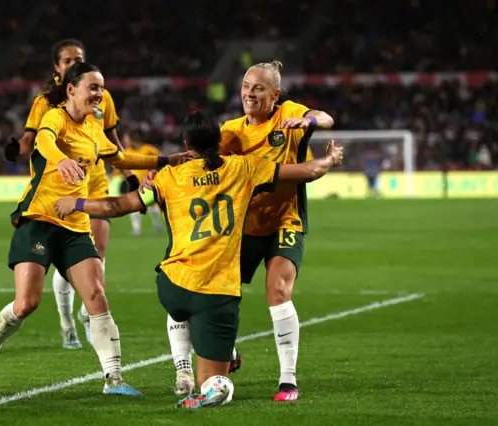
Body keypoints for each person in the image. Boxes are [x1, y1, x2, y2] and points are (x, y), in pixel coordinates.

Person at [53, 110, 343, 408]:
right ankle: (214, 377)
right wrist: (331, 159)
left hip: (172, 287)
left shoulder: (167, 177)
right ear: (220, 141)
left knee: (180, 305)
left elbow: (117, 206)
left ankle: (185, 368)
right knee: (216, 382)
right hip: (217, 295)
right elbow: (308, 171)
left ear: (185, 143)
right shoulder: (243, 168)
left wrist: (75, 203)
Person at [0, 62, 190, 394]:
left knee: (97, 296)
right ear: (71, 89)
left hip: (75, 225)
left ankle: (114, 379)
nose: (99, 94)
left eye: (101, 88)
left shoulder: (94, 128)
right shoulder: (55, 117)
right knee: (26, 303)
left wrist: (165, 160)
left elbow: (122, 158)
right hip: (39, 220)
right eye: (93, 87)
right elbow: (43, 141)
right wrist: (62, 160)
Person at [144, 61, 335, 401]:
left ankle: (287, 381)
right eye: (246, 86)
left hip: (284, 221)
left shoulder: (288, 114)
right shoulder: (231, 131)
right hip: (242, 228)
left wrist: (307, 121)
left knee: (278, 290)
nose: (249, 92)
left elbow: (326, 118)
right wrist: (162, 168)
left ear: (274, 95)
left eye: (258, 88)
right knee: (208, 288)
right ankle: (214, 357)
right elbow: (199, 156)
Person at [4, 39, 140, 350]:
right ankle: (68, 325)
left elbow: (113, 142)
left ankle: (88, 310)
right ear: (57, 67)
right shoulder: (46, 103)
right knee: (65, 256)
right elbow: (33, 139)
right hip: (59, 183)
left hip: (94, 180)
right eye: (66, 60)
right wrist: (16, 150)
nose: (70, 64)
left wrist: (130, 176)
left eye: (76, 59)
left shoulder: (100, 96)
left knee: (97, 254)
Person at [120, 131, 163, 236]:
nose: (126, 141)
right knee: (133, 207)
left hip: (148, 183)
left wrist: (155, 169)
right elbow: (120, 164)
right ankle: (136, 229)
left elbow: (162, 158)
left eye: (127, 138)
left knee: (152, 206)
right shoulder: (127, 151)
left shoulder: (148, 149)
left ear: (133, 139)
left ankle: (157, 226)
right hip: (134, 184)